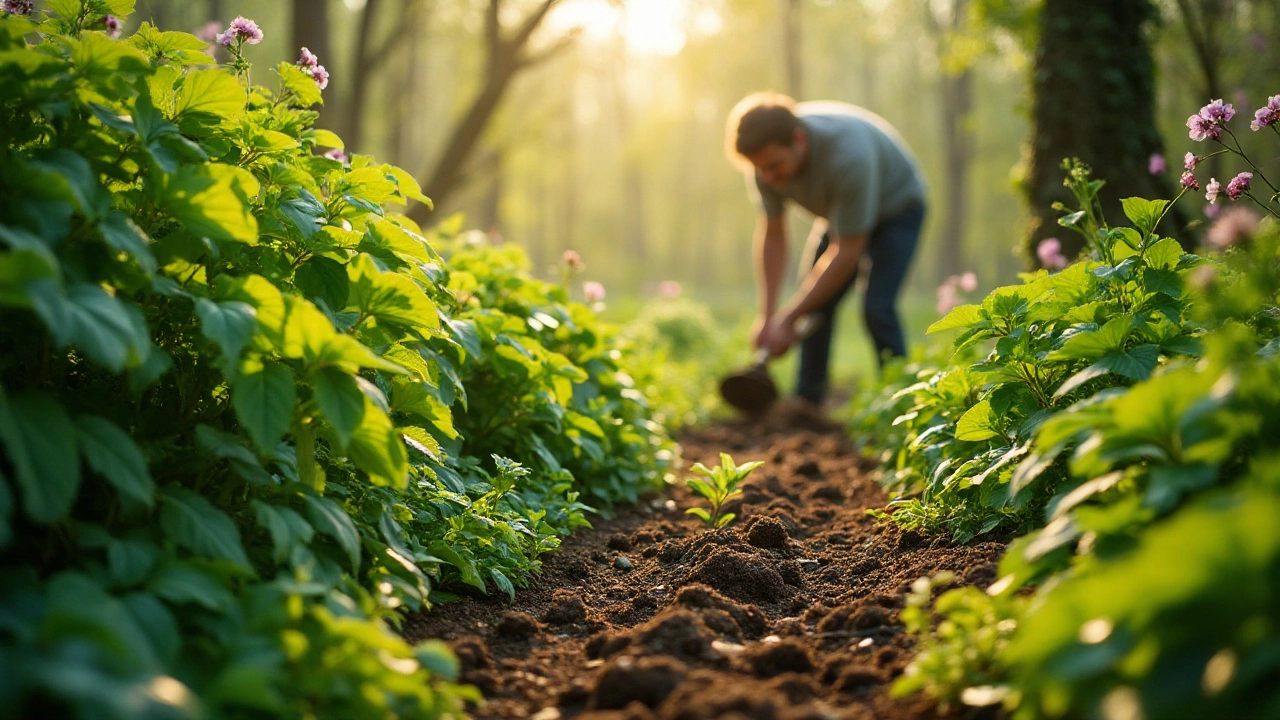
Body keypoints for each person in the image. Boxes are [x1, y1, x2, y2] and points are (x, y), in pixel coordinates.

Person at [725, 92, 927, 406]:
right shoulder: (765, 163)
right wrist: (768, 318)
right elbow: (774, 236)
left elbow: (848, 251)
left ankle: (904, 402)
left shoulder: (848, 157)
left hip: (897, 208)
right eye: (760, 169)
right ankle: (807, 403)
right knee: (815, 303)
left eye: (775, 166)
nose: (768, 178)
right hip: (839, 216)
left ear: (799, 139)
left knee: (877, 308)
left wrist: (788, 318)